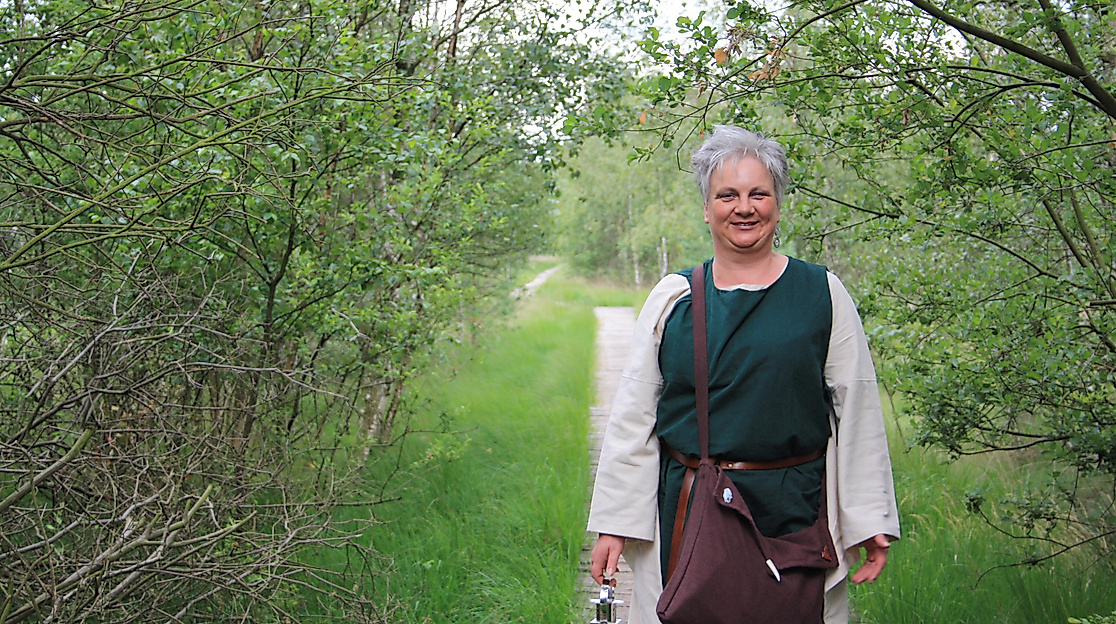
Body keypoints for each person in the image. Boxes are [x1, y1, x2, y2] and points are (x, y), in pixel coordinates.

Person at [587, 125, 900, 624]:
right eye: (727, 195)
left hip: (794, 511)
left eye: (759, 193)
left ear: (778, 202)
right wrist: (613, 524)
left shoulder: (821, 293)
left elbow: (857, 409)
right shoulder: (675, 298)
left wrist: (868, 520)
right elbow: (634, 415)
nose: (744, 207)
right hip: (691, 513)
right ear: (706, 208)